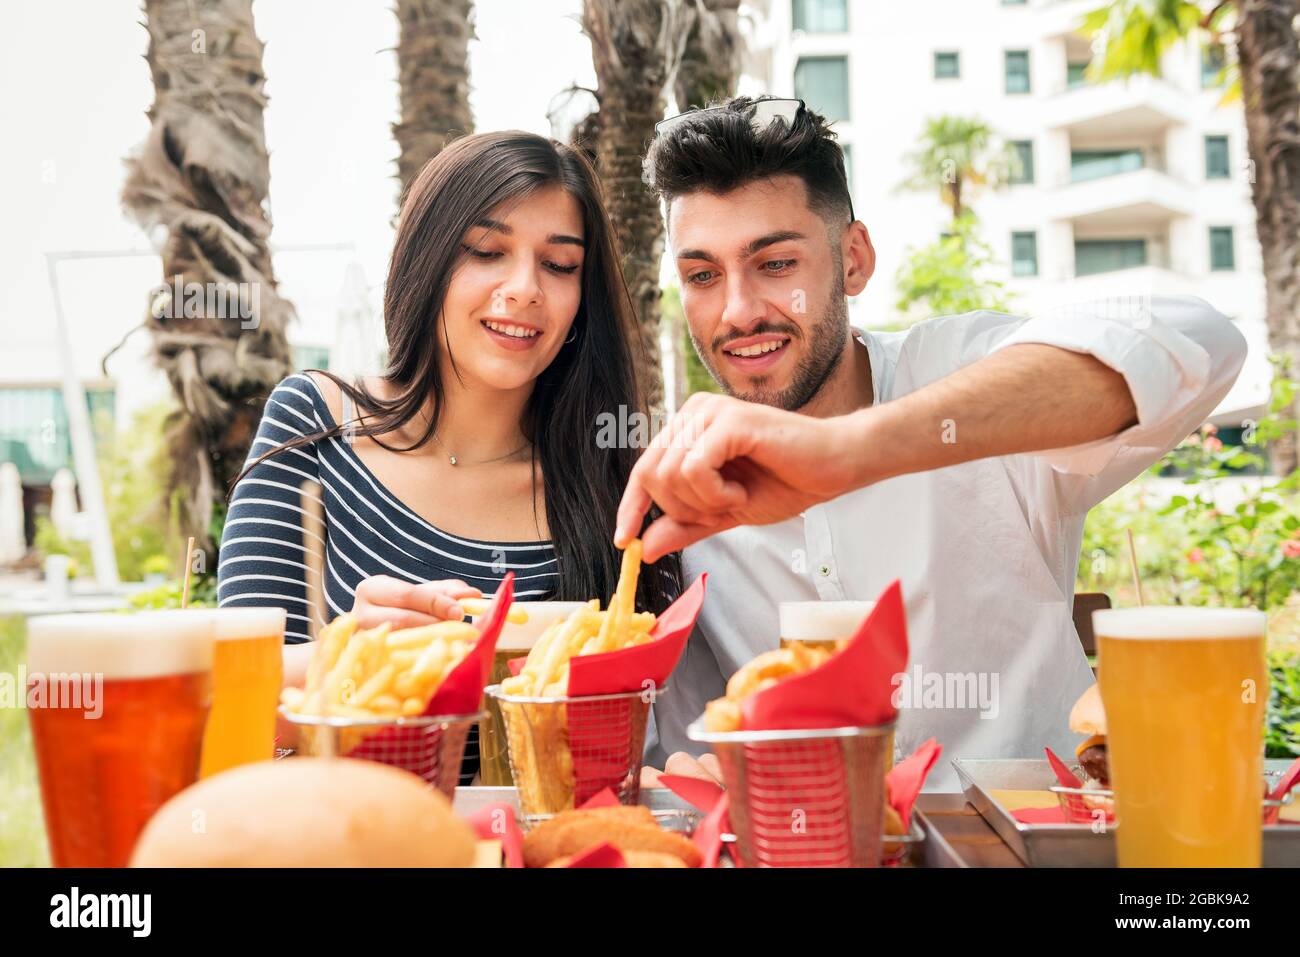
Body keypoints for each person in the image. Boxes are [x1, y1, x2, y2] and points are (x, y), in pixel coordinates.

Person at [624, 97, 1247, 790]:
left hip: (1029, 843)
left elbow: (1199, 338)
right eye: (703, 275)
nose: (737, 311)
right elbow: (680, 744)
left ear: (852, 260)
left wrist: (852, 450)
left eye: (775, 263)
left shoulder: (964, 372)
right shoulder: (685, 484)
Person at [217, 131, 680, 781]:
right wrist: (357, 656)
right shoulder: (315, 425)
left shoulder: (613, 482)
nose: (524, 289)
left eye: (559, 265)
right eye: (487, 251)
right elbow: (228, 699)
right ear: (427, 262)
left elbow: (627, 747)